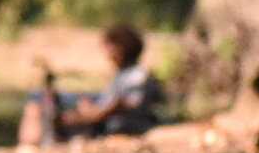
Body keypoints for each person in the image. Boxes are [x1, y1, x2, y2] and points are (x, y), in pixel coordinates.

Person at [18, 24, 163, 145]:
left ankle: (30, 145)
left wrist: (91, 114)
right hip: (105, 112)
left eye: (110, 49)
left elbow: (123, 105)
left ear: (121, 49)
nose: (107, 55)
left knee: (39, 100)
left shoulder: (136, 76)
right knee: (41, 97)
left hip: (114, 122)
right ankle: (33, 142)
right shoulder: (125, 74)